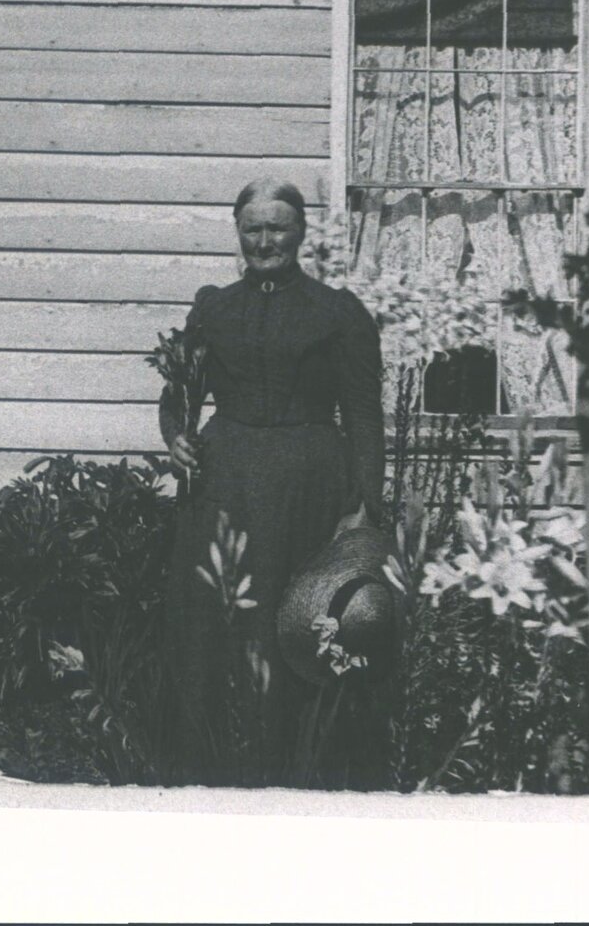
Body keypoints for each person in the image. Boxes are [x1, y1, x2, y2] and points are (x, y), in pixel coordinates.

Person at [160, 178, 385, 788]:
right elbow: (179, 390)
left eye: (277, 228)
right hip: (224, 482)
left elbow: (363, 416)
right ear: (239, 235)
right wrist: (177, 434)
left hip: (307, 482)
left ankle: (296, 767)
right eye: (253, 229)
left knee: (295, 617)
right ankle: (212, 765)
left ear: (301, 232)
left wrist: (364, 508)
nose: (265, 241)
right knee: (217, 619)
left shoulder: (338, 314)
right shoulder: (214, 308)